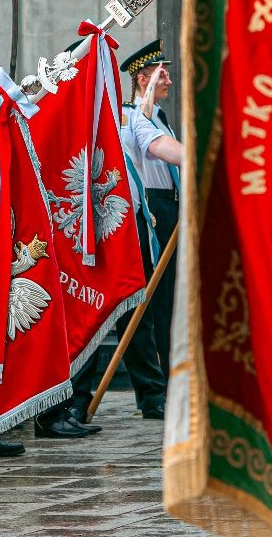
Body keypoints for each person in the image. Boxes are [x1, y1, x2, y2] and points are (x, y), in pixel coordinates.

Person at [105, 40, 184, 423]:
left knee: (168, 305)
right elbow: (166, 152)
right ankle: (154, 393)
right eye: (160, 72)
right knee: (145, 308)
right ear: (143, 79)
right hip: (149, 212)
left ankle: (169, 387)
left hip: (168, 206)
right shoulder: (132, 116)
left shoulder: (158, 115)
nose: (168, 77)